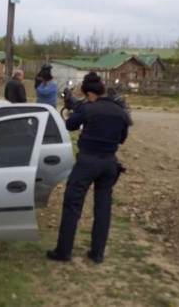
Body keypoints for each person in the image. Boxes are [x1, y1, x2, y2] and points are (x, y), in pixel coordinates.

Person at [46, 72, 130, 264]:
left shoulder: (88, 107)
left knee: (72, 205)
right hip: (109, 163)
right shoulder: (119, 110)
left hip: (88, 162)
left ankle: (63, 251)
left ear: (89, 93)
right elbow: (123, 138)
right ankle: (97, 253)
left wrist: (79, 113)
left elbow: (70, 125)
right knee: (103, 208)